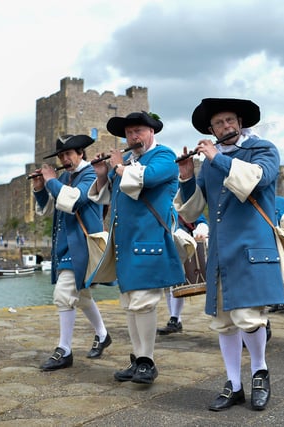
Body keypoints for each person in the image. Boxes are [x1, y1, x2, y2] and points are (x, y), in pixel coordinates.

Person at [175, 98, 284, 411]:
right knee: (224, 322)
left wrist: (216, 159)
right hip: (221, 252)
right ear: (211, 129)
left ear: (240, 122)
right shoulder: (209, 162)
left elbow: (257, 180)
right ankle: (234, 384)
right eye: (219, 123)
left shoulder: (263, 149)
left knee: (248, 318)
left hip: (252, 249)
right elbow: (194, 208)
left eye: (230, 121)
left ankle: (260, 372)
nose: (226, 127)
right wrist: (186, 176)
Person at [89, 111, 185, 385]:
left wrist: (119, 167)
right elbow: (110, 197)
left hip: (151, 240)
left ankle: (147, 361)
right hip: (126, 244)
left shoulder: (165, 156)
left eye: (139, 131)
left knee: (144, 303)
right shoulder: (130, 163)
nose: (133, 137)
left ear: (152, 132)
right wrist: (102, 175)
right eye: (129, 133)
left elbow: (149, 179)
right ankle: (138, 358)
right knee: (130, 304)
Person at [32, 134, 112, 371]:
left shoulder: (91, 175)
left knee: (64, 294)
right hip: (67, 245)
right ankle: (103, 334)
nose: (64, 159)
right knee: (83, 296)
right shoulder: (66, 176)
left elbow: (75, 200)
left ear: (80, 154)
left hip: (83, 244)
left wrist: (50, 181)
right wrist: (40, 188)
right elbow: (47, 209)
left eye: (68, 154)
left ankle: (64, 350)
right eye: (61, 155)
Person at [158, 213, 209, 335]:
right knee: (167, 286)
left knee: (177, 284)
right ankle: (175, 319)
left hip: (182, 244)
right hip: (164, 242)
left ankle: (175, 318)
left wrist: (200, 229)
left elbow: (199, 217)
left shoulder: (182, 197)